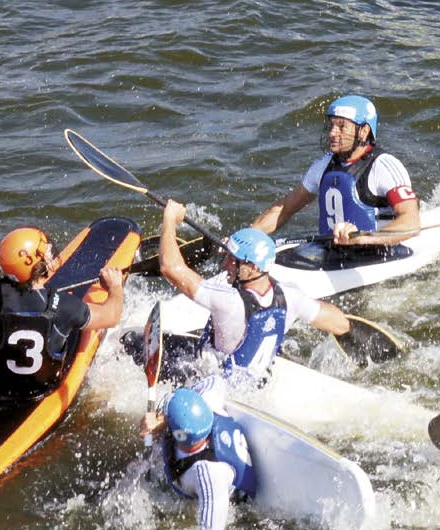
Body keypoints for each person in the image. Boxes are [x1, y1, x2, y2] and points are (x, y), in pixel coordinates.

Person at [153, 199, 352, 388]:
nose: (225, 265)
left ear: (254, 267)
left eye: (233, 260)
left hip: (211, 379)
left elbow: (170, 267)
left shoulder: (227, 301)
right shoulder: (291, 297)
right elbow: (340, 323)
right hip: (254, 383)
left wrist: (169, 219)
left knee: (132, 340)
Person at [0, 226, 126, 401]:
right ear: (34, 261)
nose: (50, 253)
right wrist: (115, 287)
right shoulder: (65, 306)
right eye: (46, 251)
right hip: (37, 391)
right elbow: (111, 316)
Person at [251, 94, 420, 267]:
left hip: (378, 255)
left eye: (341, 127)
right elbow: (285, 209)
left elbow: (411, 222)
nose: (332, 132)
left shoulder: (383, 166)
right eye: (331, 125)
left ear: (363, 131)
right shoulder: (323, 165)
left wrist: (364, 237)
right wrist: (248, 237)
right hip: (332, 252)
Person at [140, 377, 255, 530]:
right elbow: (216, 380)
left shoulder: (207, 474)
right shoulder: (209, 403)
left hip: (238, 503)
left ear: (178, 435)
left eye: (166, 417)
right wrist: (164, 421)